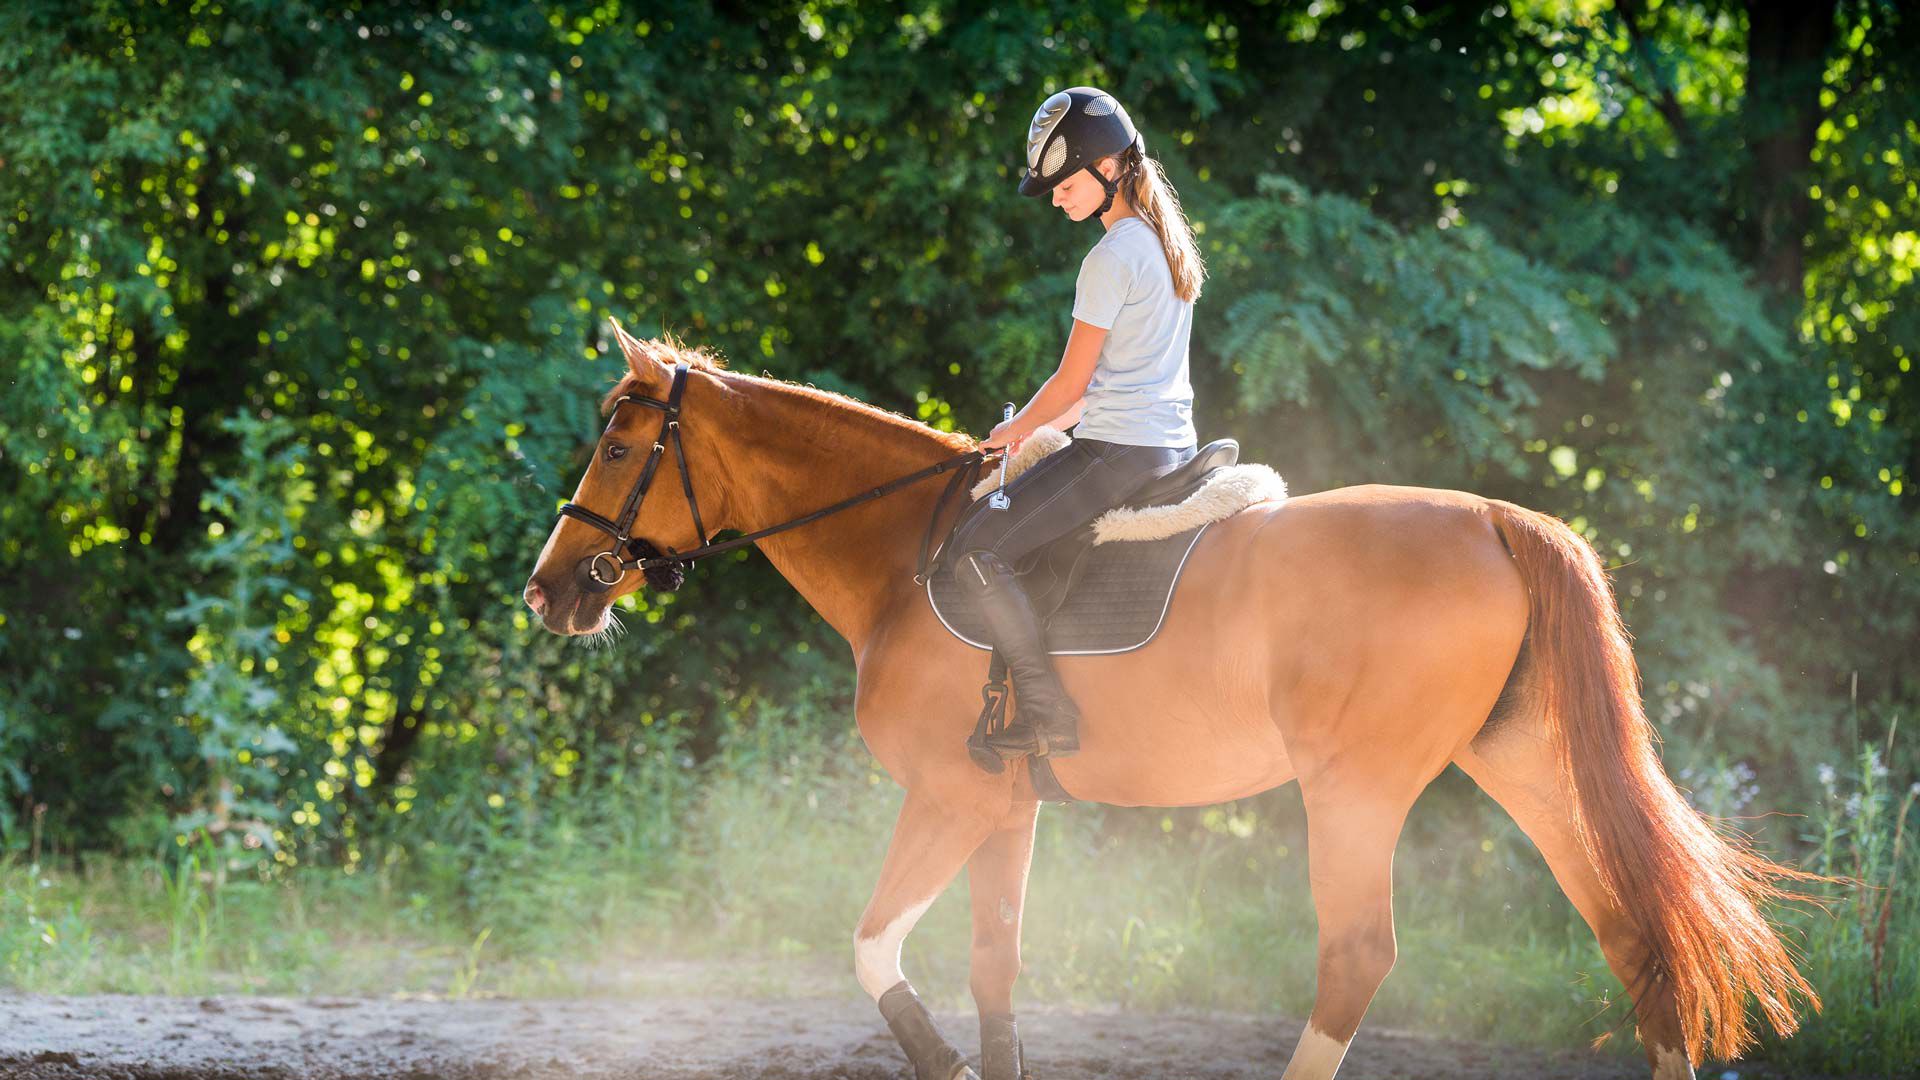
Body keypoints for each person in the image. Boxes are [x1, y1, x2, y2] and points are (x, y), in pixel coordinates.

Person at [946, 85, 1207, 761]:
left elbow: (1071, 384)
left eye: (1064, 185)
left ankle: (1046, 710)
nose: (1057, 198)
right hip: (1169, 443)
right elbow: (1119, 377)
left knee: (976, 549)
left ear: (1110, 168)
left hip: (1119, 450)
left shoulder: (1111, 257)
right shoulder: (1160, 244)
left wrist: (1008, 434)